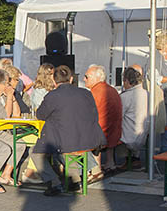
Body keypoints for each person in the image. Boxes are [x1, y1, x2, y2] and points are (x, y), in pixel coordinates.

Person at [31, 65, 105, 196]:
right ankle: (74, 181)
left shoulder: (53, 96)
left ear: (54, 81)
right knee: (65, 146)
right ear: (71, 79)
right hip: (88, 139)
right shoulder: (86, 93)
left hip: (65, 141)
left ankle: (54, 183)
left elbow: (40, 115)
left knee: (36, 153)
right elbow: (94, 115)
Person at [85, 64, 122, 173]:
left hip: (100, 134)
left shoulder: (95, 92)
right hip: (114, 133)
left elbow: (87, 115)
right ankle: (110, 163)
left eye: (87, 77)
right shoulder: (113, 90)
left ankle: (95, 168)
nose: (84, 79)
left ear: (96, 78)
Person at [118, 67, 149, 167]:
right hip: (145, 134)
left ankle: (113, 162)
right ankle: (135, 158)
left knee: (112, 131)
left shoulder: (125, 96)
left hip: (130, 137)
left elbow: (118, 116)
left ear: (127, 81)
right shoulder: (147, 94)